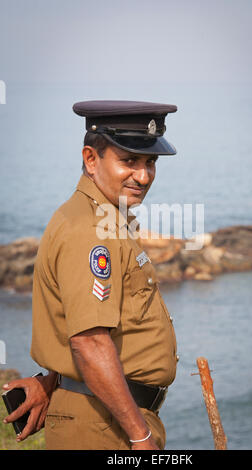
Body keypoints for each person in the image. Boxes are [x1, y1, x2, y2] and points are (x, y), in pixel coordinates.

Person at [2, 100, 179, 450]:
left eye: (150, 162)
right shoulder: (90, 230)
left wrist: (52, 381)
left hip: (108, 416)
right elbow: (90, 342)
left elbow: (83, 324)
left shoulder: (105, 217)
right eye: (129, 161)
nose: (143, 176)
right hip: (104, 426)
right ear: (91, 159)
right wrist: (140, 438)